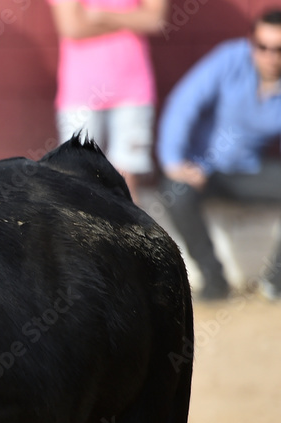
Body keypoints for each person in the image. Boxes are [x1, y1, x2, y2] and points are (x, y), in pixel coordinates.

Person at [157, 8, 281, 301]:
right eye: (262, 47)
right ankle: (214, 282)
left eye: (279, 49)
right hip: (202, 170)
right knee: (175, 191)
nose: (270, 56)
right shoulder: (230, 58)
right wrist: (174, 161)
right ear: (251, 43)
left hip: (249, 170)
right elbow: (183, 103)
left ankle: (275, 282)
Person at [49, 0, 167, 201]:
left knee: (126, 185)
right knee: (77, 179)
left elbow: (155, 20)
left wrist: (101, 16)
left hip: (133, 89)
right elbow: (72, 27)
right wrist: (130, 20)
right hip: (80, 92)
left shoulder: (100, 14)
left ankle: (127, 233)